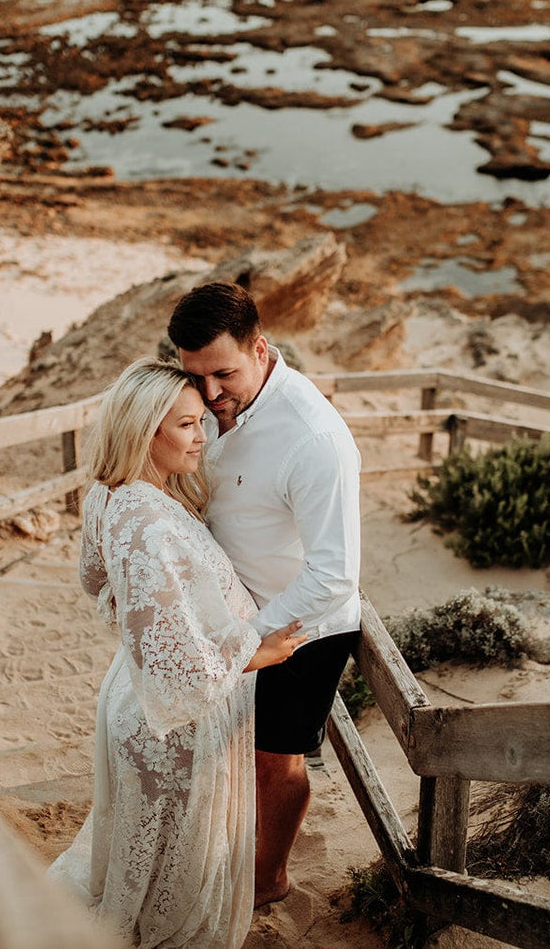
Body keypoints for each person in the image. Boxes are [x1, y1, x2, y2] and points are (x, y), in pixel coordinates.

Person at [49, 358, 308, 948]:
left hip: (135, 698)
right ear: (145, 432)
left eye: (201, 422)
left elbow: (97, 582)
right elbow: (174, 667)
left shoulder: (109, 495)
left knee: (142, 863)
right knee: (174, 884)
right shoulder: (147, 520)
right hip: (169, 726)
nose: (203, 436)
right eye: (188, 425)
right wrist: (256, 652)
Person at [167, 281, 363, 907]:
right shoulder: (212, 399)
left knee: (272, 759)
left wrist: (249, 637)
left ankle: (267, 881)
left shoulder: (313, 438)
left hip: (300, 625)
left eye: (222, 373)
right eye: (195, 377)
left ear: (260, 348)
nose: (209, 393)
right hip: (233, 608)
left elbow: (334, 575)